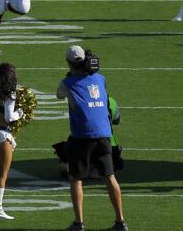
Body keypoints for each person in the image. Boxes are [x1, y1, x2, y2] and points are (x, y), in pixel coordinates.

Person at [57, 45, 127, 231]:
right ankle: (120, 221)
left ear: (69, 63)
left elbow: (59, 95)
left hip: (82, 136)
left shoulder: (68, 82)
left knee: (75, 179)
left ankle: (79, 223)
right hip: (104, 135)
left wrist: (69, 76)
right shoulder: (100, 78)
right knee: (110, 177)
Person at [0, 61, 24, 218]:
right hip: (3, 136)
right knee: (2, 175)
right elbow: (9, 117)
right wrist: (20, 113)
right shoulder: (10, 94)